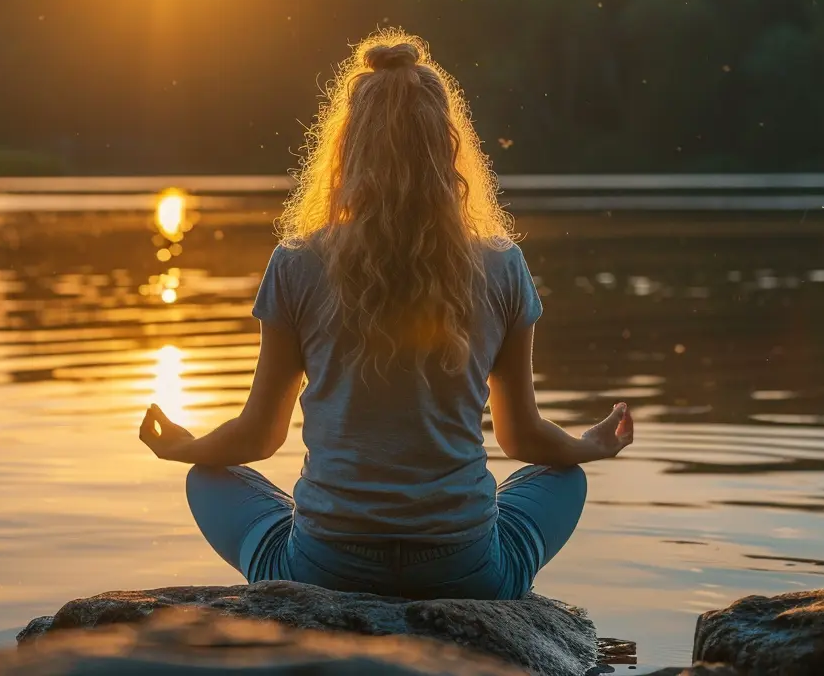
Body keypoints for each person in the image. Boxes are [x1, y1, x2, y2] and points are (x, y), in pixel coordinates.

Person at [138, 30, 634, 601]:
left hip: (326, 566)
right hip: (465, 572)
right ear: (448, 148)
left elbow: (259, 435)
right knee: (563, 476)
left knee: (209, 477)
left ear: (347, 149)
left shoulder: (297, 264)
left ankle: (295, 568)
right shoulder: (502, 266)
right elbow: (522, 438)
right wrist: (590, 446)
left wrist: (185, 447)